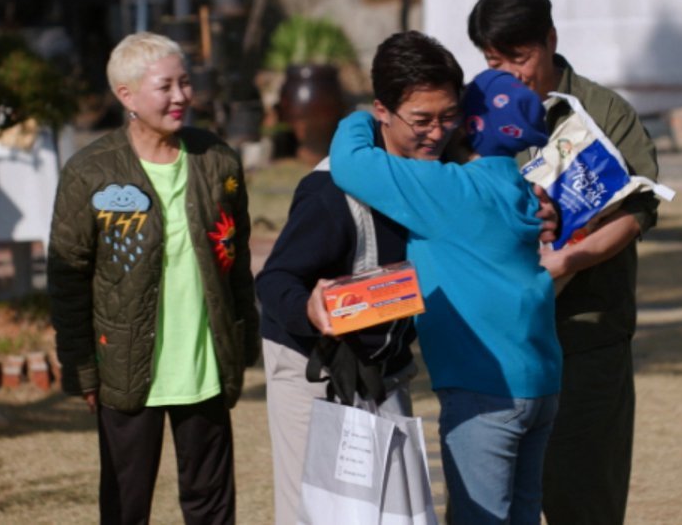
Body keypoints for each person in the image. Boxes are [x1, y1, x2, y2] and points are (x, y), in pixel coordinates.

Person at [325, 59, 563, 525]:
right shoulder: (520, 189)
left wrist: (362, 116)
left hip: (483, 389)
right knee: (522, 514)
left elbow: (351, 163)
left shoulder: (450, 189)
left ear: (469, 125)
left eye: (451, 116)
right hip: (541, 383)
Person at [468, 0, 662, 525]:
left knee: (584, 499)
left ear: (551, 40)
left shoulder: (604, 113)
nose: (509, 74)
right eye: (493, 61)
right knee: (492, 504)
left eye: (520, 57)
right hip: (500, 340)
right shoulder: (475, 113)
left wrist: (571, 260)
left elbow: (638, 211)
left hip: (584, 338)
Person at [48, 32, 260, 525]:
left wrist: (242, 340)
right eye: (166, 86)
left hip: (204, 368)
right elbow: (68, 278)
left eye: (185, 83)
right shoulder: (90, 172)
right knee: (126, 507)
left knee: (211, 506)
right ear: (126, 95)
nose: (181, 96)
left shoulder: (217, 161)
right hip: (124, 371)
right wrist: (82, 368)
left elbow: (237, 260)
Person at [255, 30, 466, 525]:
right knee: (321, 516)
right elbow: (275, 279)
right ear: (382, 111)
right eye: (422, 120)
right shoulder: (330, 192)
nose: (437, 133)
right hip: (315, 373)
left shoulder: (437, 172)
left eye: (448, 117)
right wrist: (310, 308)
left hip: (384, 371)